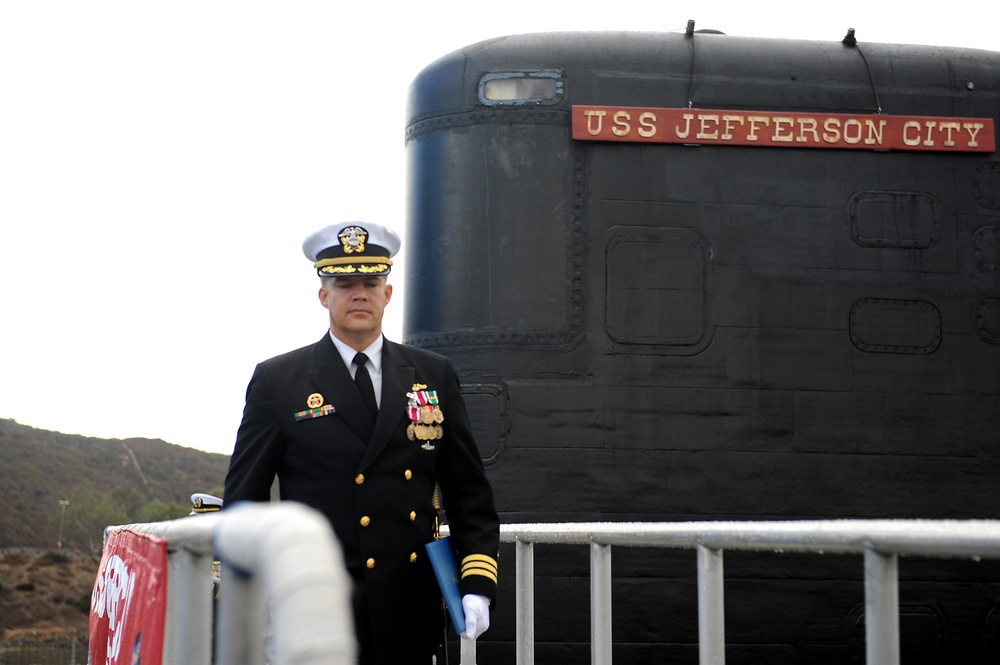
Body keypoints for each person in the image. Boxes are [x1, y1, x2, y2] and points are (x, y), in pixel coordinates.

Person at [222, 222, 500, 665]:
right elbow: (244, 500)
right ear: (323, 296)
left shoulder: (433, 374)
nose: (359, 294)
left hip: (409, 607)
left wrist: (478, 585)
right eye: (344, 283)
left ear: (388, 294)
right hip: (316, 608)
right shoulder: (280, 381)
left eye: (371, 283)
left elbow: (469, 493)